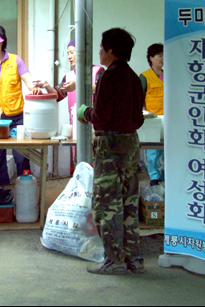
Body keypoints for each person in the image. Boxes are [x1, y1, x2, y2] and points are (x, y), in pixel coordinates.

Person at [77, 28, 144, 275]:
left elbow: (101, 118)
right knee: (128, 201)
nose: (99, 52)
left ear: (111, 51)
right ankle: (134, 259)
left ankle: (114, 259)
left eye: (102, 48)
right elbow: (138, 119)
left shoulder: (108, 76)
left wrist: (84, 112)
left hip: (110, 146)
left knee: (107, 203)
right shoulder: (135, 77)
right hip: (131, 144)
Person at [0, 24, 42, 186]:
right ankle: (2, 194)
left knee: (21, 157)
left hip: (17, 118)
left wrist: (34, 87)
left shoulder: (15, 60)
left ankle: (25, 189)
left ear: (2, 42)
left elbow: (28, 78)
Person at [37, 39, 104, 171]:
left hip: (97, 125)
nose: (69, 56)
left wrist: (78, 85)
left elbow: (103, 89)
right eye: (68, 53)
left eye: (72, 52)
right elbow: (57, 95)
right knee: (78, 158)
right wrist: (47, 87)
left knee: (96, 159)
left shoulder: (98, 71)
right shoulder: (68, 76)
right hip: (77, 124)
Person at [139, 43, 165, 186]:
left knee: (166, 148)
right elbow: (139, 98)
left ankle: (164, 175)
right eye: (159, 55)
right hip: (152, 119)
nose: (162, 58)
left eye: (163, 55)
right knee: (153, 149)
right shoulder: (145, 76)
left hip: (167, 117)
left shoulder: (168, 75)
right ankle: (154, 177)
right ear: (151, 58)